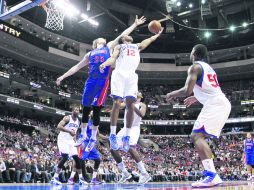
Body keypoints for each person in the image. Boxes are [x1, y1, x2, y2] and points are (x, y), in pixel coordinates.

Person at [56, 16, 146, 152]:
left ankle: (93, 137)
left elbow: (122, 35)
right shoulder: (90, 54)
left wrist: (134, 25)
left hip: (102, 82)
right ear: (96, 43)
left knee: (96, 109)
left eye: (104, 40)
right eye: (100, 40)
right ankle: (84, 135)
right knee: (86, 109)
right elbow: (76, 67)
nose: (103, 40)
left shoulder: (109, 47)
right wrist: (62, 76)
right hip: (90, 81)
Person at [165, 44, 231, 188]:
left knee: (196, 136)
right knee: (197, 136)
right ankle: (211, 174)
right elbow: (209, 88)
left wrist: (171, 94)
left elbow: (186, 90)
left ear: (194, 53)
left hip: (216, 104)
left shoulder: (194, 67)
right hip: (219, 103)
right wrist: (197, 97)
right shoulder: (208, 67)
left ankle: (212, 175)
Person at [99, 29, 163, 152]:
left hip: (132, 76)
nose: (130, 36)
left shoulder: (136, 46)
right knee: (117, 103)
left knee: (130, 105)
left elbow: (148, 40)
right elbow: (113, 58)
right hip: (119, 74)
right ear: (123, 38)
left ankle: (127, 136)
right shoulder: (119, 46)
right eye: (127, 35)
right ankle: (112, 134)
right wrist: (105, 64)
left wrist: (157, 35)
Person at [110, 92, 151, 184]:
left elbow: (142, 114)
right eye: (135, 97)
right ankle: (125, 173)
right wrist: (116, 100)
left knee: (131, 148)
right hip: (125, 128)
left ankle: (144, 173)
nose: (137, 98)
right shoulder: (127, 103)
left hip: (134, 128)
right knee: (113, 149)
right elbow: (119, 106)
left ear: (140, 98)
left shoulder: (142, 104)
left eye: (138, 97)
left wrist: (131, 105)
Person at [50, 105, 87, 186]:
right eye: (75, 110)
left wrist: (77, 142)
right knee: (65, 157)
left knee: (77, 159)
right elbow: (59, 126)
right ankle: (54, 178)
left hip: (71, 141)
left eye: (78, 110)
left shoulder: (78, 121)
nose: (77, 111)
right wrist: (69, 131)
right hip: (63, 139)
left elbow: (74, 133)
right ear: (72, 111)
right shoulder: (67, 118)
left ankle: (81, 179)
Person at [77, 112, 108, 185]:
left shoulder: (95, 124)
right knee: (81, 160)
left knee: (97, 160)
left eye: (93, 112)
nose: (92, 113)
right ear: (90, 115)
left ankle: (94, 179)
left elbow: (98, 135)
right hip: (85, 142)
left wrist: (108, 138)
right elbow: (81, 129)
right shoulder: (86, 121)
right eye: (91, 112)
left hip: (91, 144)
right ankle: (81, 178)